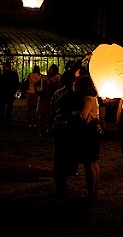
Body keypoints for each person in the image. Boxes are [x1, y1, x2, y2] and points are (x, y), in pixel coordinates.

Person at [50, 69, 83, 201]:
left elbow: (52, 110)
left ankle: (60, 184)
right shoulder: (73, 95)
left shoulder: (56, 93)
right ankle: (68, 174)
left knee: (59, 155)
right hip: (69, 128)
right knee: (68, 153)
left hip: (59, 127)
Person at [74, 74, 103, 203]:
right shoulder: (94, 97)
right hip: (94, 132)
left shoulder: (88, 99)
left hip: (89, 133)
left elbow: (83, 116)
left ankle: (91, 193)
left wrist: (75, 114)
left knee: (89, 163)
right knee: (94, 162)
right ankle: (94, 191)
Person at [37, 64, 61, 136]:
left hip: (50, 97)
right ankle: (42, 128)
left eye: (51, 69)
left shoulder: (56, 78)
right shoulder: (44, 78)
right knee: (43, 113)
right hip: (44, 97)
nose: (49, 70)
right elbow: (38, 84)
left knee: (50, 113)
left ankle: (49, 128)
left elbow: (57, 87)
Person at [0, 60, 21, 127]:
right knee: (9, 109)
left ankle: (0, 122)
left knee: (2, 108)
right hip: (10, 93)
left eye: (4, 67)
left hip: (4, 93)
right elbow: (16, 84)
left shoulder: (4, 75)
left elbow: (0, 84)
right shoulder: (13, 74)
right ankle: (7, 122)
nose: (3, 68)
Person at [24, 65, 43, 130]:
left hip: (30, 92)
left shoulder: (30, 75)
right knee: (35, 109)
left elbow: (26, 83)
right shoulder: (40, 77)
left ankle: (29, 122)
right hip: (36, 93)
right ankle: (35, 122)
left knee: (29, 109)